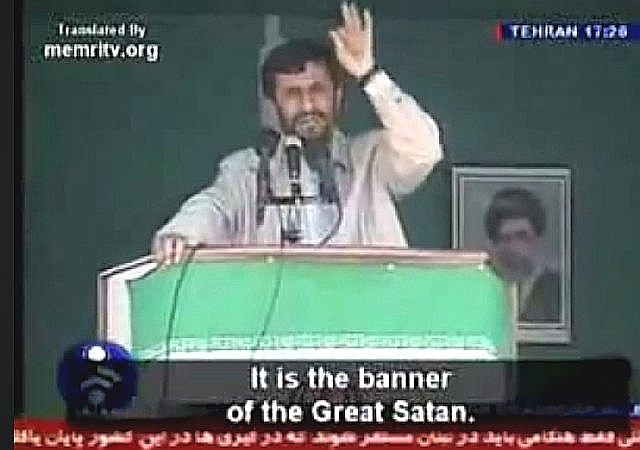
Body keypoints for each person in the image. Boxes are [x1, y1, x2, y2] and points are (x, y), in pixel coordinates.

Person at [152, 2, 443, 265]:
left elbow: (424, 150)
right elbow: (212, 206)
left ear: (338, 95)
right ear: (274, 103)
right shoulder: (248, 171)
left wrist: (369, 74)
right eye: (292, 93)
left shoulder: (370, 158)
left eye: (317, 90)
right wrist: (181, 233)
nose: (307, 105)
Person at [484, 187, 562, 322]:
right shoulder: (482, 287)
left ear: (538, 238)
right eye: (506, 238)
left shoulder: (558, 289)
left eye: (522, 236)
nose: (514, 247)